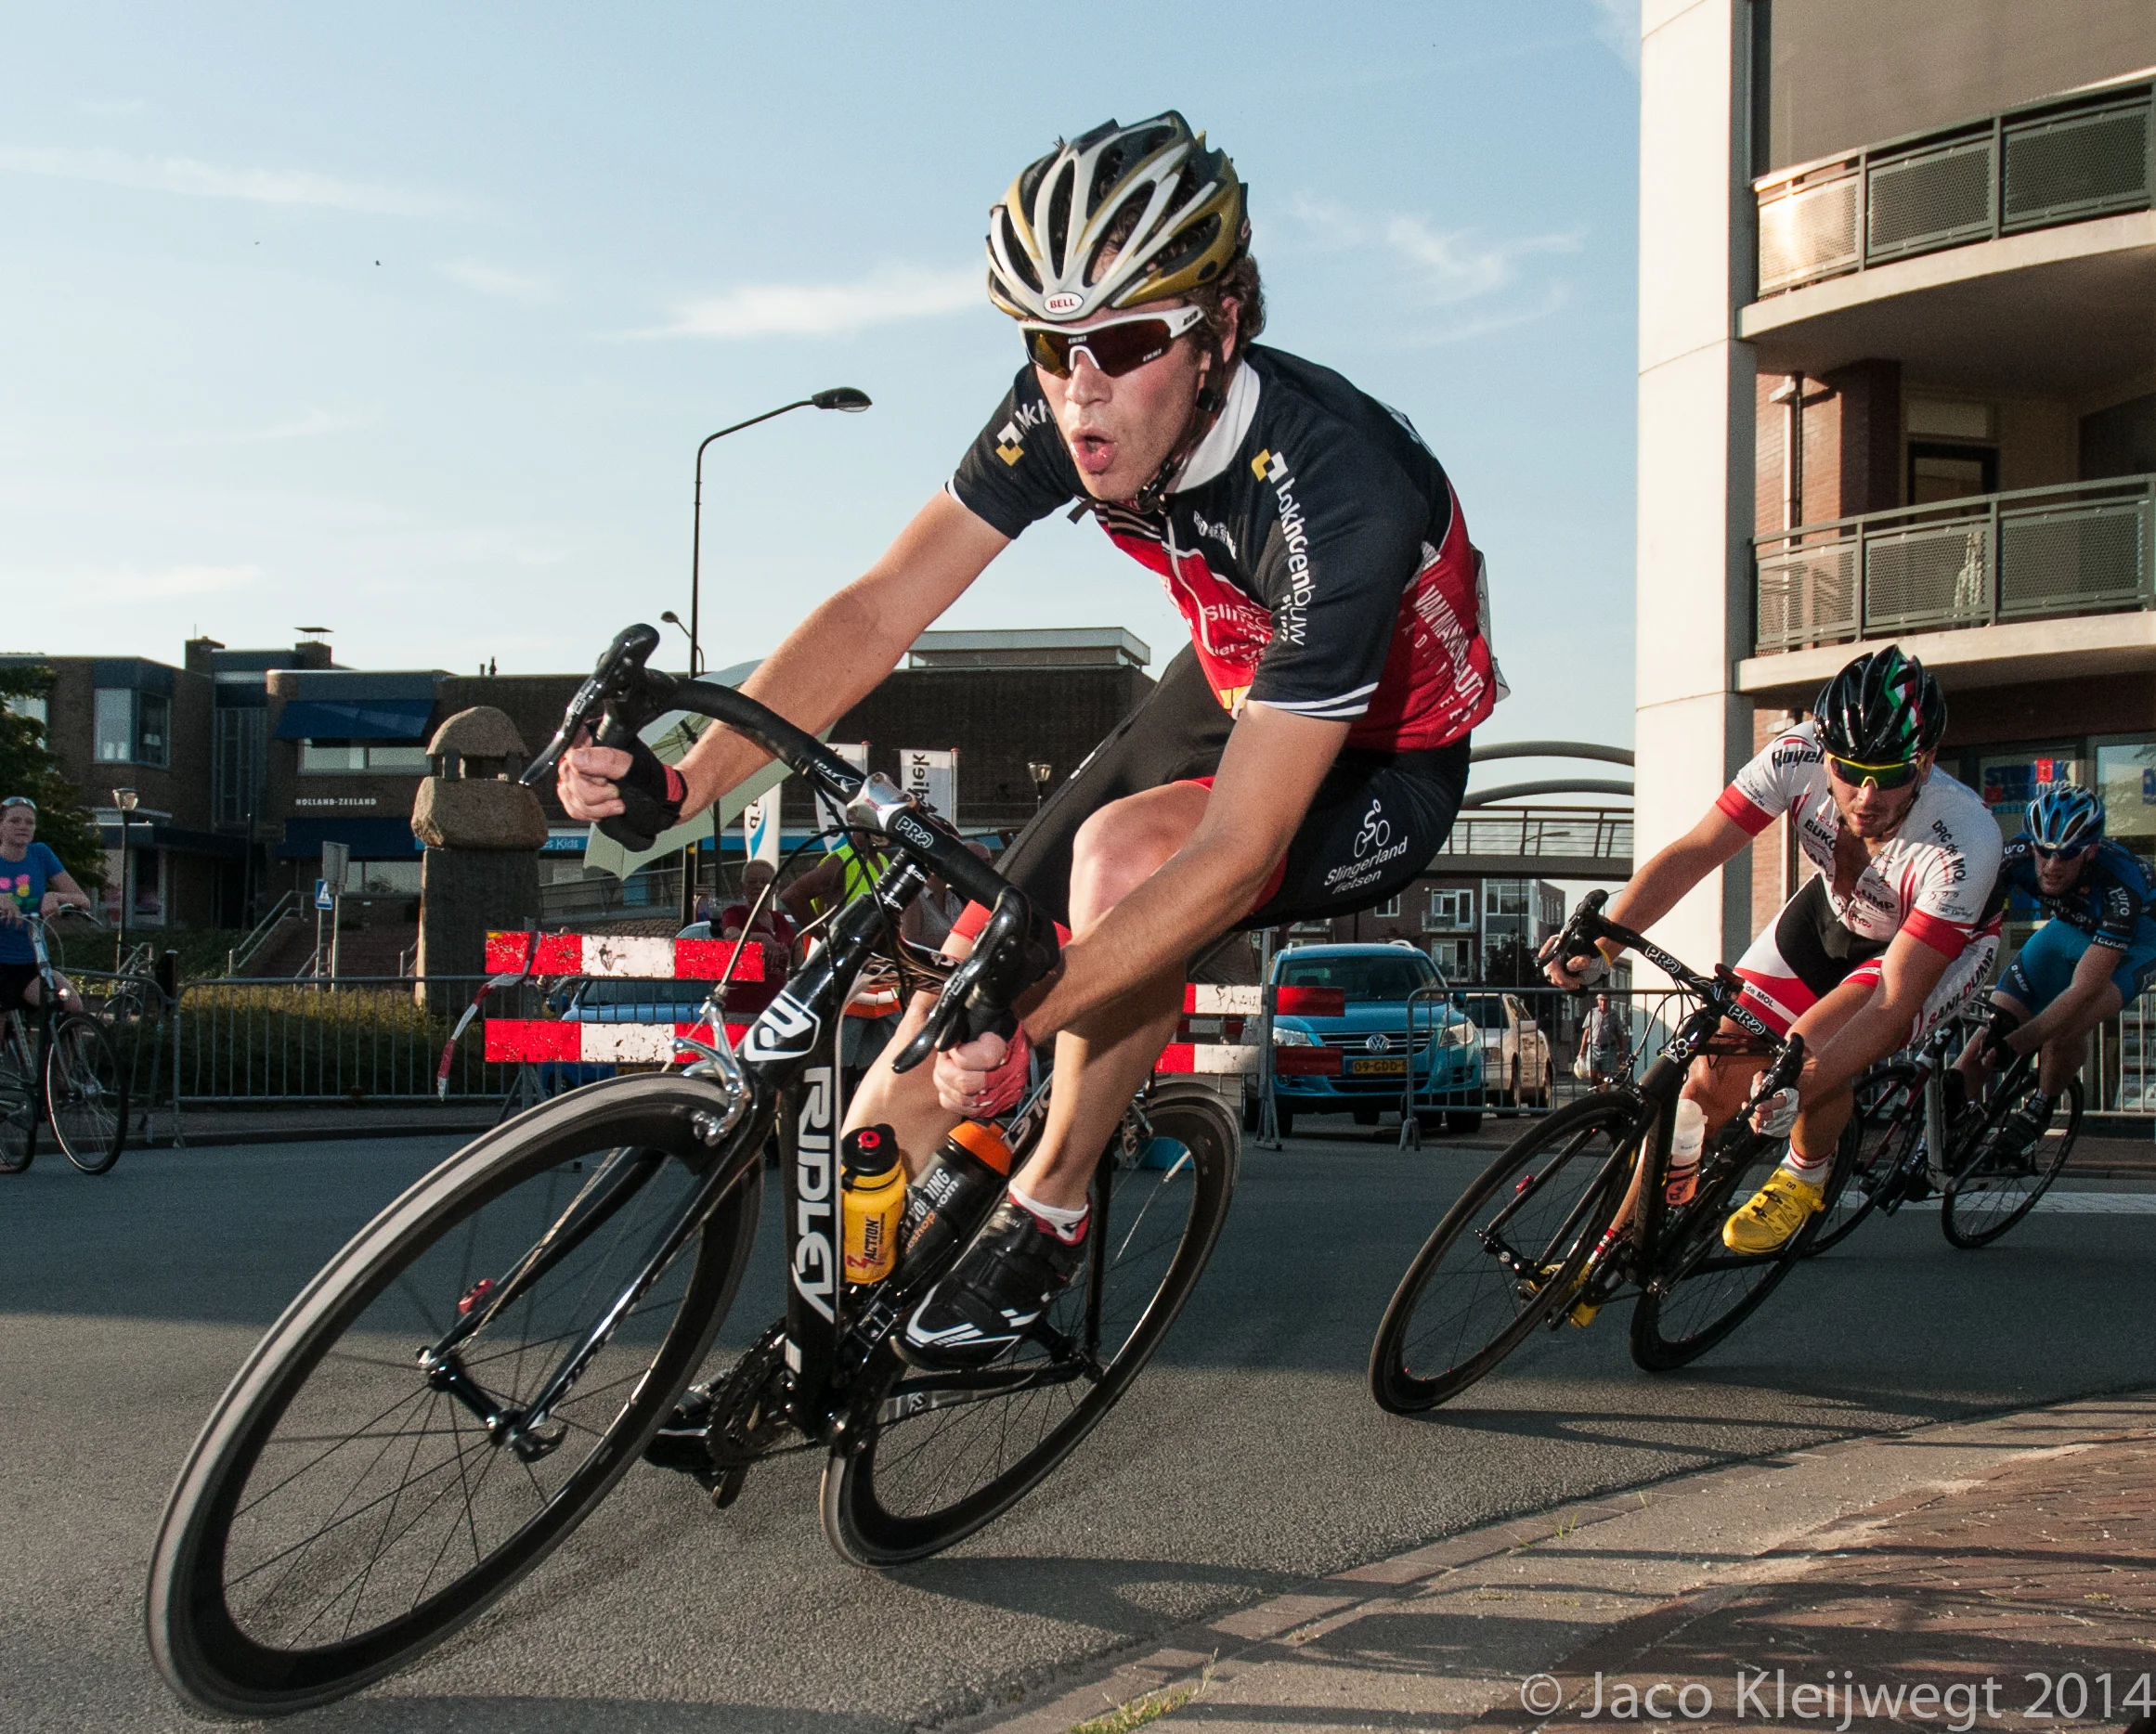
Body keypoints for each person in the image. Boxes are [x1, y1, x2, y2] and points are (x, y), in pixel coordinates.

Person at [559, 112, 1502, 1369]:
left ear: (1220, 330)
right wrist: (686, 783)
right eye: (1050, 346)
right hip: (1233, 675)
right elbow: (880, 609)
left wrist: (1030, 1013)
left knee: (1119, 868)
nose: (1078, 388)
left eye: (1124, 343)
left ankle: (1052, 1203)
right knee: (935, 1016)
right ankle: (815, 1356)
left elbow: (1230, 854)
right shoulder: (1072, 407)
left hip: (1383, 749)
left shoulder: (1336, 491)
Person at [1545, 647, 2001, 1256]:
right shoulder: (1794, 754)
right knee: (1706, 1083)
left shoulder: (1964, 838)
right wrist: (1603, 941)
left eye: (1892, 775)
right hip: (1834, 912)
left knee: (1805, 1053)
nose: (1867, 796)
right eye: (1849, 771)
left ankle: (1805, 1176)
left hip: (1923, 951)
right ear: (1824, 752)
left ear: (1927, 762)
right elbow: (1697, 852)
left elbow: (1891, 1007)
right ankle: (1607, 1252)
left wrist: (1799, 1087)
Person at [1955, 783, 2156, 1161]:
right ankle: (1931, 1145)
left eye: (2066, 855)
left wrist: (2016, 1045)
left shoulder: (2120, 884)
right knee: (1987, 1036)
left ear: (2090, 851)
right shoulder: (2015, 856)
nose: (2051, 865)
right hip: (2067, 929)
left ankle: (2040, 1109)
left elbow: (2085, 989)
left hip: (2137, 944)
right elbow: (1969, 930)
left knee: (2065, 1027)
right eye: (2044, 851)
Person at [0, 796, 93, 1015]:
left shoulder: (40, 854)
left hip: (32, 960)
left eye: (29, 822)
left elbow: (83, 900)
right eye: (15, 821)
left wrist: (56, 896)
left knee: (71, 1006)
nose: (23, 826)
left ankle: (64, 1039)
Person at [1578, 991, 1628, 1091]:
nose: (1603, 1003)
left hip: (1608, 1048)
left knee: (1606, 1077)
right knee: (1592, 1074)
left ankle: (1604, 1094)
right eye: (1601, 1000)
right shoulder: (1592, 1013)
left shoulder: (1614, 1015)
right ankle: (1597, 1093)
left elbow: (1619, 1034)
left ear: (1608, 1001)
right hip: (1593, 1047)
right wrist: (1582, 1050)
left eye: (1605, 1000)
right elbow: (1586, 1032)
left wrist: (1621, 1051)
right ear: (1598, 1001)